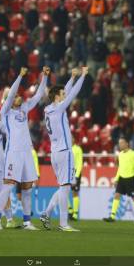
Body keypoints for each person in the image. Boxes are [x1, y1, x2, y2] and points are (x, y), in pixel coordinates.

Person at [0, 66, 49, 230]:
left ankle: (26, 221)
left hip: (27, 152)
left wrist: (44, 77)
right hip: (13, 152)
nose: (19, 98)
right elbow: (10, 95)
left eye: (19, 96)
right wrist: (19, 76)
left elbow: (38, 95)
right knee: (9, 185)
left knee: (27, 188)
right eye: (16, 96)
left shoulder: (24, 109)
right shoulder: (5, 111)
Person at [40, 66, 87, 232]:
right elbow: (73, 93)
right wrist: (82, 76)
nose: (65, 95)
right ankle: (63, 224)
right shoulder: (59, 108)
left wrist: (71, 78)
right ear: (57, 97)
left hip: (55, 153)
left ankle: (46, 213)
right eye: (62, 94)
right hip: (65, 151)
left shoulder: (49, 109)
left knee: (62, 187)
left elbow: (64, 91)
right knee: (66, 187)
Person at [103, 137, 134, 223]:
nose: (120, 145)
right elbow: (120, 168)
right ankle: (112, 216)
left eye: (122, 143)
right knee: (117, 195)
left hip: (131, 178)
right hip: (122, 178)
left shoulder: (133, 154)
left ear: (127, 144)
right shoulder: (120, 155)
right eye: (119, 143)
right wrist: (116, 179)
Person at [69, 138, 83, 221]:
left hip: (75, 172)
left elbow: (80, 162)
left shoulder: (78, 149)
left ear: (74, 140)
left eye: (71, 138)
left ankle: (75, 214)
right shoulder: (66, 149)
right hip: (67, 172)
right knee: (62, 191)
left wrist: (77, 176)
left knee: (74, 192)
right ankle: (70, 209)